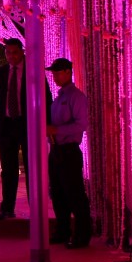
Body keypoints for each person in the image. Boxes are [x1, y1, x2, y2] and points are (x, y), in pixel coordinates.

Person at [0, 38, 50, 220]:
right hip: (6, 125)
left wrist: (48, 124)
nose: (11, 56)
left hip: (28, 124)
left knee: (32, 167)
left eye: (14, 52)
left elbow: (46, 97)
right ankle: (7, 207)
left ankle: (36, 207)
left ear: (21, 52)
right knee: (8, 168)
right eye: (7, 52)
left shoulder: (34, 71)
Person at [45, 57, 92, 248]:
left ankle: (81, 235)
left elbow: (81, 124)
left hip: (69, 150)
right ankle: (63, 230)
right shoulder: (58, 98)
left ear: (68, 72)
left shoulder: (76, 97)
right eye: (53, 72)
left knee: (74, 193)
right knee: (57, 193)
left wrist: (57, 130)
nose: (55, 76)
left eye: (58, 72)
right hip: (56, 149)